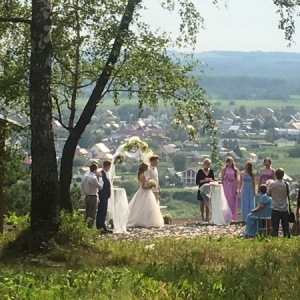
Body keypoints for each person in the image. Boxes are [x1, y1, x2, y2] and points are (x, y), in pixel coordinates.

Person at [127, 162, 164, 228]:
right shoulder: (142, 175)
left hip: (147, 192)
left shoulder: (143, 174)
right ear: (144, 168)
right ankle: (143, 221)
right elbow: (143, 187)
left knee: (149, 207)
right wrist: (150, 187)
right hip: (144, 192)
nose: (147, 168)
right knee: (144, 206)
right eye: (147, 167)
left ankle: (148, 220)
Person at [267, 168, 290, 238]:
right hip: (284, 208)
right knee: (286, 227)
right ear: (283, 175)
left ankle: (275, 240)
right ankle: (287, 240)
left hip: (275, 208)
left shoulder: (272, 184)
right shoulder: (286, 184)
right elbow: (288, 193)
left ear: (276, 175)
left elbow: (268, 194)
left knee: (275, 228)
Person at [80, 163, 104, 228]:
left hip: (86, 196)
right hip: (93, 196)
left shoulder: (85, 176)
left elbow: (81, 186)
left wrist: (83, 193)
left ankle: (85, 226)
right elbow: (100, 187)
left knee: (87, 212)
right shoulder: (93, 177)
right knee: (92, 213)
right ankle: (90, 226)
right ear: (95, 169)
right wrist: (100, 178)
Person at [96, 160, 112, 233]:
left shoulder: (106, 174)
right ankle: (100, 226)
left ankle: (103, 226)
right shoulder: (101, 174)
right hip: (102, 195)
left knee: (104, 211)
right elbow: (101, 185)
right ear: (107, 166)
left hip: (105, 195)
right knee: (101, 211)